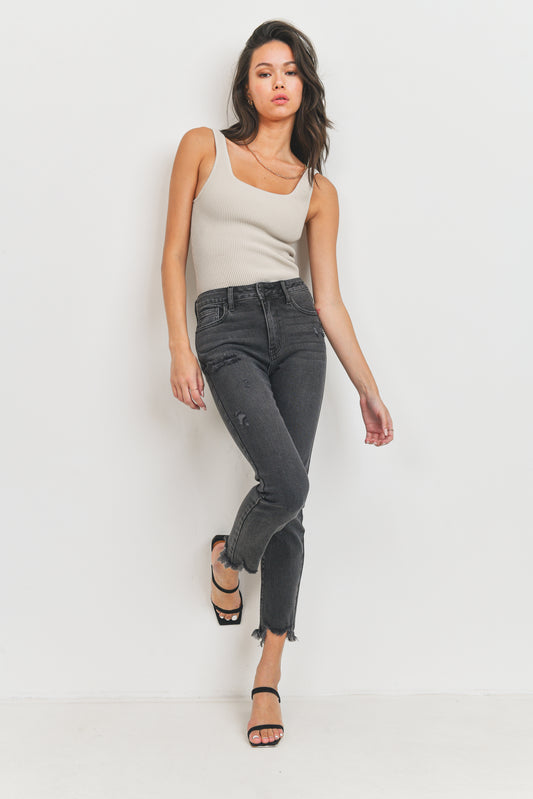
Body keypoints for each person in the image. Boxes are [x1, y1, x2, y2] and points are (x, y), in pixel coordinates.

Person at [161, 19, 394, 748]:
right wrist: (179, 347)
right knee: (286, 484)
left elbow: (326, 299)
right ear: (246, 84)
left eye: (289, 70)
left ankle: (267, 673)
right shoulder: (203, 148)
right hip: (223, 327)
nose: (278, 82)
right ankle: (228, 557)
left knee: (291, 505)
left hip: (296, 329)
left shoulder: (317, 190)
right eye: (264, 71)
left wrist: (368, 385)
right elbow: (172, 257)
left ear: (305, 84)